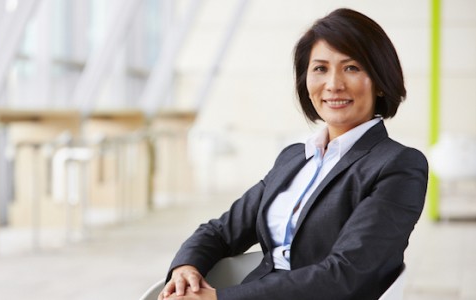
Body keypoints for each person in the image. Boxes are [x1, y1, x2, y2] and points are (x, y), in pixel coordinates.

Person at [158, 8, 429, 300]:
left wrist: (218, 299)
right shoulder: (294, 158)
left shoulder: (398, 165)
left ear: (379, 80)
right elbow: (222, 231)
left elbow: (345, 275)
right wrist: (187, 266)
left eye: (352, 68)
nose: (334, 84)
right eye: (320, 68)